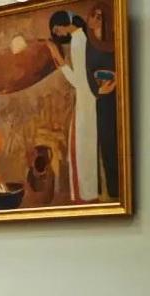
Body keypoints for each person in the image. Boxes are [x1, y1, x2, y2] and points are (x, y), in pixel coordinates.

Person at [47, 11, 98, 203]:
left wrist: (59, 61)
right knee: (87, 148)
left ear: (63, 23)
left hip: (86, 101)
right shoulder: (82, 37)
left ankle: (85, 195)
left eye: (56, 30)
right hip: (88, 100)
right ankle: (89, 193)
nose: (58, 34)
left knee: (82, 150)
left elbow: (79, 81)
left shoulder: (78, 40)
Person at [84, 1, 118, 199]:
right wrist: (98, 90)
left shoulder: (113, 40)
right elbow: (88, 72)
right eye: (92, 15)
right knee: (106, 143)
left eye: (99, 17)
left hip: (116, 96)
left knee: (118, 142)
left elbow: (122, 65)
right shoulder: (89, 42)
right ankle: (113, 191)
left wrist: (116, 82)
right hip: (101, 98)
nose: (94, 20)